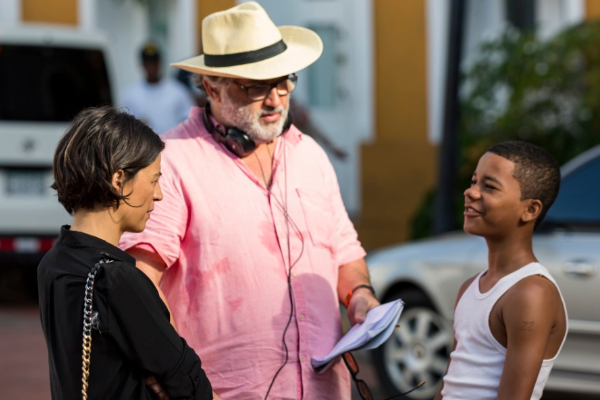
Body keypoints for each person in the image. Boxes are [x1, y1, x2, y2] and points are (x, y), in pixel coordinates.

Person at [119, 2, 380, 399]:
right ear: (211, 86)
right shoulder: (172, 160)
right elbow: (139, 282)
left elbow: (345, 252)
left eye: (283, 82)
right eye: (255, 86)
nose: (275, 99)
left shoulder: (310, 155)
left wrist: (359, 296)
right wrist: (166, 369)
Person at [37, 106, 215, 400]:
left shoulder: (53, 263)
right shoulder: (117, 279)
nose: (158, 195)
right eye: (155, 180)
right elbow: (191, 384)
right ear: (118, 180)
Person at [435, 141, 568, 400]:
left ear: (530, 210)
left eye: (489, 186)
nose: (471, 192)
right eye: (473, 181)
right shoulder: (470, 287)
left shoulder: (531, 292)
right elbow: (450, 387)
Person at [122, 41, 196, 134]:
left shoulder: (178, 91)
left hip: (174, 146)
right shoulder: (130, 94)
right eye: (147, 63)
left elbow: (190, 122)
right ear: (142, 65)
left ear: (159, 63)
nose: (151, 67)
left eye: (154, 62)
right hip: (144, 147)